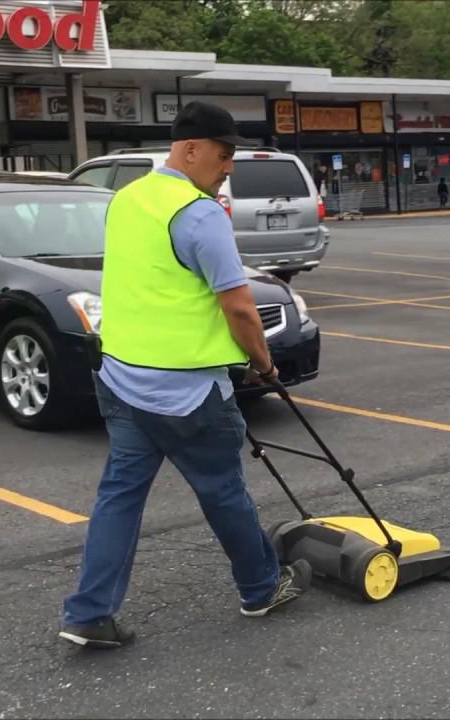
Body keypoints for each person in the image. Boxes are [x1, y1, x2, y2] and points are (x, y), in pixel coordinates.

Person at [59, 102, 312, 649]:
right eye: (223, 156)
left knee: (118, 498)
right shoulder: (199, 214)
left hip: (124, 381)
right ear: (189, 149)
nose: (229, 169)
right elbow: (240, 308)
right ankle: (262, 587)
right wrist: (264, 365)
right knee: (223, 491)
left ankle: (88, 612)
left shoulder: (127, 200)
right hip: (188, 391)